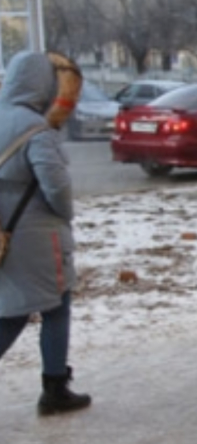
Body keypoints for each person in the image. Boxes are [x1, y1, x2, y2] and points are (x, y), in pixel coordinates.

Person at [0, 51, 90, 415]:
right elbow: (56, 186)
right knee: (53, 306)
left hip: (3, 232)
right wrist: (65, 214)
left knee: (12, 307)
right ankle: (55, 388)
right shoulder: (37, 130)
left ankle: (55, 385)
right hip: (37, 237)